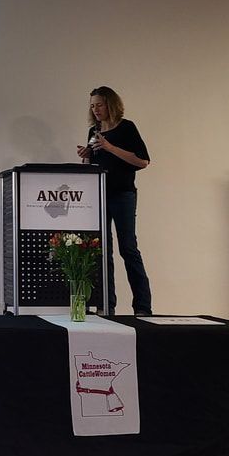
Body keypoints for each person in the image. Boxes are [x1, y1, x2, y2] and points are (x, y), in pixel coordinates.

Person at [76, 86, 153, 315]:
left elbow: (143, 161)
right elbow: (90, 168)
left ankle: (143, 307)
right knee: (103, 251)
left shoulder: (126, 127)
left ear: (110, 104)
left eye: (99, 104)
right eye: (92, 105)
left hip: (123, 195)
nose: (95, 109)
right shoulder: (94, 131)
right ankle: (107, 306)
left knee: (128, 248)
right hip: (99, 195)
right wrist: (86, 156)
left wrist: (110, 147)